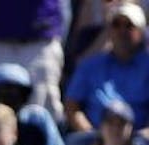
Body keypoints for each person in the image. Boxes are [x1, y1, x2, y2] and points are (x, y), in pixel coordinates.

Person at [63, 1, 149, 134]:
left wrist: (143, 135)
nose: (122, 31)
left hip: (140, 142)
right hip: (93, 140)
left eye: (129, 26)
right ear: (109, 30)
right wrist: (91, 133)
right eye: (116, 25)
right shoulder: (89, 65)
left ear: (141, 32)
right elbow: (72, 106)